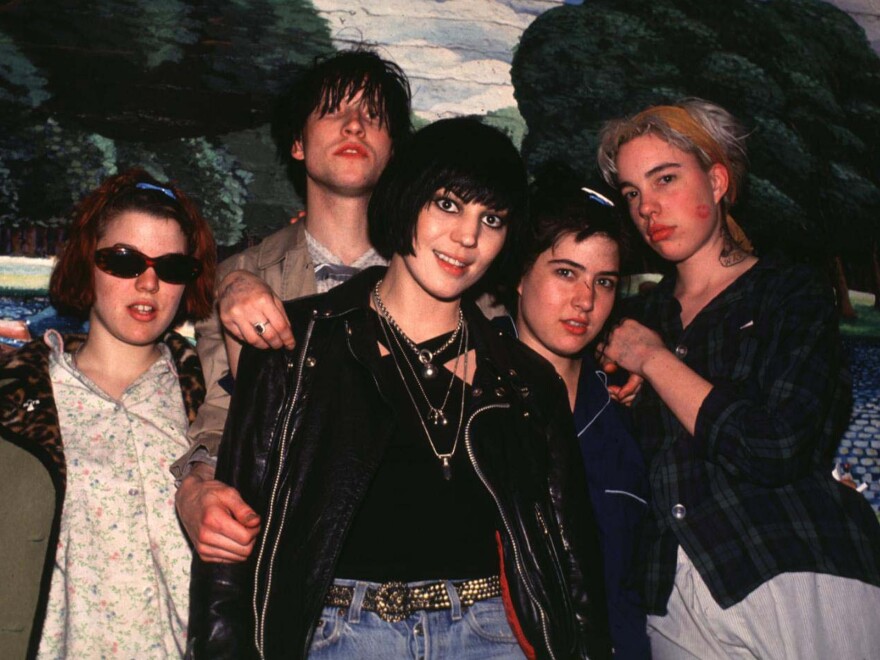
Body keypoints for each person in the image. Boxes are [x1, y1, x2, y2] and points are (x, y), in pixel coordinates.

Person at [188, 118, 612, 659]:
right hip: (339, 636)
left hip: (490, 636)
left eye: (492, 218)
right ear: (405, 198)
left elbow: (573, 561)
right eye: (448, 204)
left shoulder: (527, 381)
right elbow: (232, 549)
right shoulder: (296, 346)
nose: (467, 237)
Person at [596, 98, 880, 659]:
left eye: (666, 179)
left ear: (718, 180)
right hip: (670, 594)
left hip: (793, 566)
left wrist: (657, 362)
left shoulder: (789, 293)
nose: (647, 207)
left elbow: (775, 446)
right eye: (632, 193)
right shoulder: (637, 320)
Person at [172, 47, 412, 564]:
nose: (354, 125)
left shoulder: (442, 277)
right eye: (334, 110)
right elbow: (222, 421)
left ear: (394, 150)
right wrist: (195, 491)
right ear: (298, 144)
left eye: (374, 116)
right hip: (295, 561)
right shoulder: (239, 282)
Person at [0, 169, 216, 658]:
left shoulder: (213, 404)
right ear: (86, 263)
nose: (148, 282)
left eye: (172, 266)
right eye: (123, 260)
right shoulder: (16, 402)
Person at [493, 168, 650, 659]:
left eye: (603, 281)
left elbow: (627, 590)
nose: (585, 300)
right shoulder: (466, 386)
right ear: (520, 274)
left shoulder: (622, 413)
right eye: (566, 272)